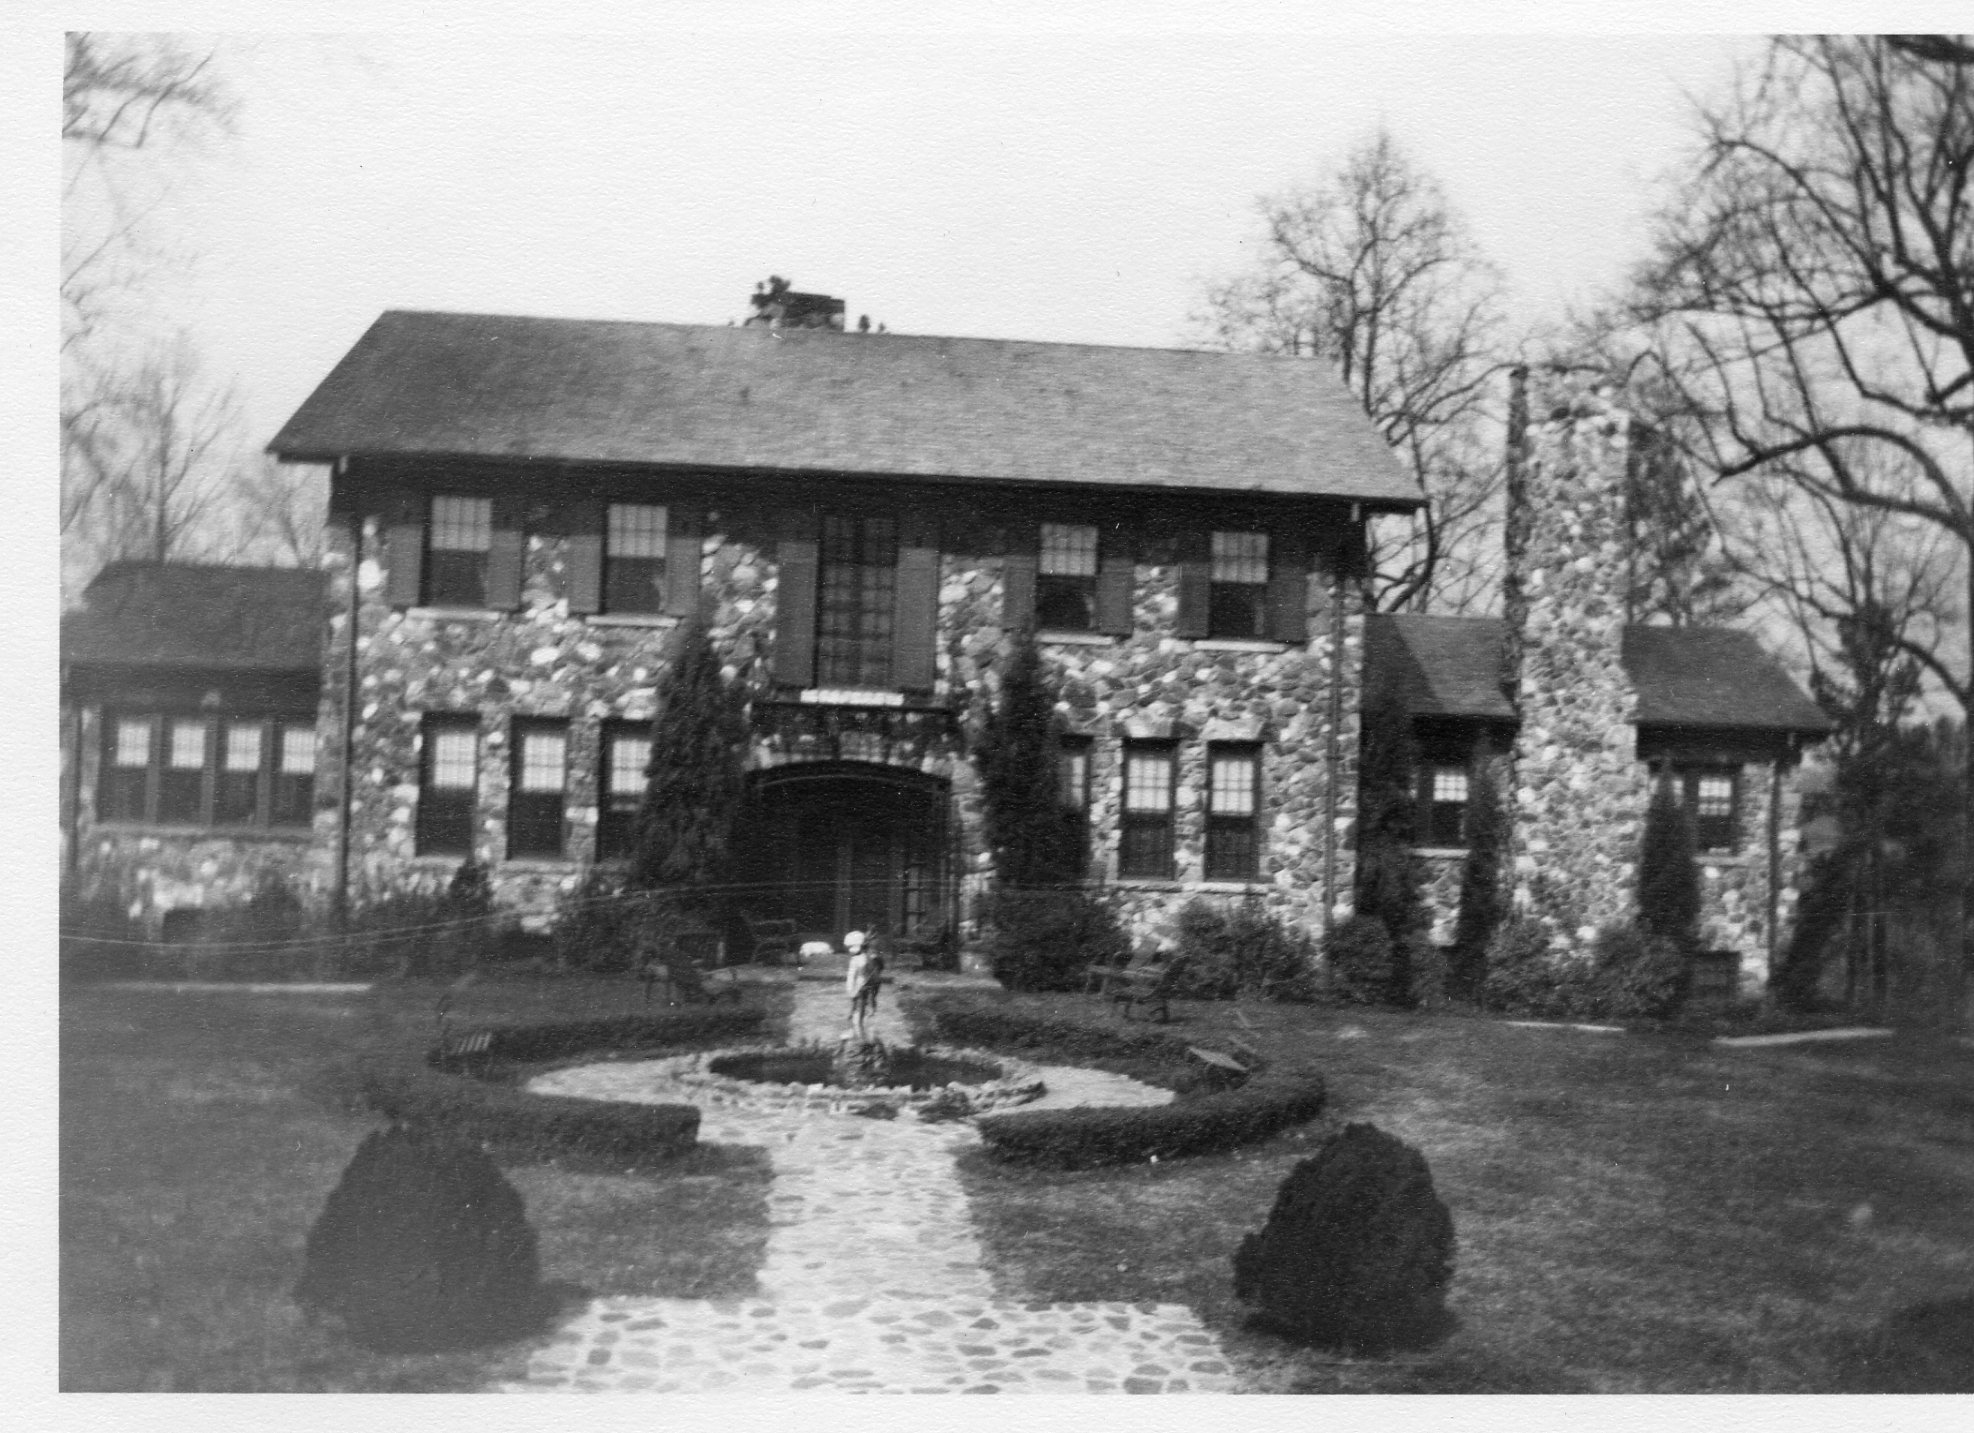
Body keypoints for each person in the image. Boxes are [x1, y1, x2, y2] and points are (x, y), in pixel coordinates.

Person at [844, 929, 883, 1038]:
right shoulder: (872, 957)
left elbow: (851, 978)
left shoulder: (857, 960)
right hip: (868, 986)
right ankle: (859, 1027)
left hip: (862, 988)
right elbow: (877, 976)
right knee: (860, 1009)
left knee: (858, 1011)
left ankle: (859, 1034)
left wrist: (851, 992)